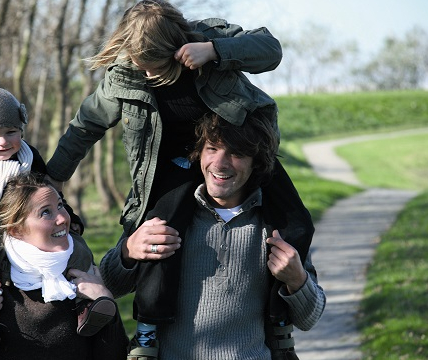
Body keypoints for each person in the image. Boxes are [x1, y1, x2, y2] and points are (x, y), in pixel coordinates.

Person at [45, 0, 291, 356]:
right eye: (142, 67)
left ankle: (280, 326)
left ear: (177, 50)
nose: (148, 75)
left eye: (156, 67)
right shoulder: (125, 75)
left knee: (292, 220)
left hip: (232, 154)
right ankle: (148, 332)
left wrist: (214, 51)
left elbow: (270, 50)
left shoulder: (207, 41)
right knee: (162, 231)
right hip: (174, 166)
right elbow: (86, 125)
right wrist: (55, 176)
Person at [100, 112, 326, 359]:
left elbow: (309, 319)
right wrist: (128, 251)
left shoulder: (276, 226)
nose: (220, 163)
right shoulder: (168, 214)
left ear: (256, 162)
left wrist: (297, 280)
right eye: (212, 148)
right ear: (198, 154)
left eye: (237, 153)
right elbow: (108, 286)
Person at [0, 87, 101, 350]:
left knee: (78, 248)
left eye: (11, 132)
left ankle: (86, 303)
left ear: (21, 129)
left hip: (34, 231)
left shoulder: (29, 157)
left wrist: (69, 216)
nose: (3, 142)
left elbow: (49, 193)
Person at [0, 173, 129, 360]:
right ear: (16, 229)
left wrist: (105, 300)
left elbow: (117, 355)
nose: (62, 218)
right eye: (46, 212)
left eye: (60, 206)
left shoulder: (84, 273)